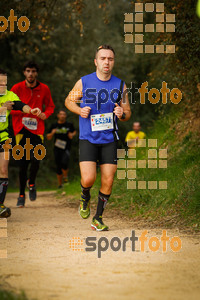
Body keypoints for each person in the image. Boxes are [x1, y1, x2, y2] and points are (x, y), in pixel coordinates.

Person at [65, 45, 131, 231]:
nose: (106, 62)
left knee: (108, 180)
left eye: (110, 59)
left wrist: (121, 112)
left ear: (113, 62)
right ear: (96, 61)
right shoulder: (84, 82)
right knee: (88, 179)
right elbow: (69, 101)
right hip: (88, 138)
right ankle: (85, 195)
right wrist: (79, 110)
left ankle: (98, 218)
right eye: (103, 58)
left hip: (109, 138)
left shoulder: (120, 85)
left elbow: (127, 112)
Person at [11, 61, 55, 207]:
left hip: (37, 129)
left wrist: (45, 114)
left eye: (33, 71)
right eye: (28, 71)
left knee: (37, 158)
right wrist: (26, 110)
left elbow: (50, 106)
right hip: (21, 130)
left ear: (37, 73)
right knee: (23, 163)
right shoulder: (16, 88)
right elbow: (10, 108)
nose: (31, 74)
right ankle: (21, 195)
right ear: (24, 72)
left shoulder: (44, 89)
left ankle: (32, 183)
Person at [0, 69, 41, 218]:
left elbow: (20, 105)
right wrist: (3, 108)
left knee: (3, 170)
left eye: (5, 82)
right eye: (0, 83)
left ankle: (0, 205)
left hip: (3, 137)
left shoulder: (9, 95)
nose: (3, 85)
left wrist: (31, 110)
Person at [46, 109, 76, 188]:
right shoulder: (54, 125)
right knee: (58, 166)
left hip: (66, 148)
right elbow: (48, 137)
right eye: (61, 114)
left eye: (64, 114)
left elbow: (74, 131)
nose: (62, 116)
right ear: (58, 115)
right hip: (57, 148)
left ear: (65, 116)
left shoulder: (69, 125)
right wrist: (52, 133)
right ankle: (60, 184)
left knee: (65, 163)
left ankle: (65, 178)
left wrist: (72, 135)